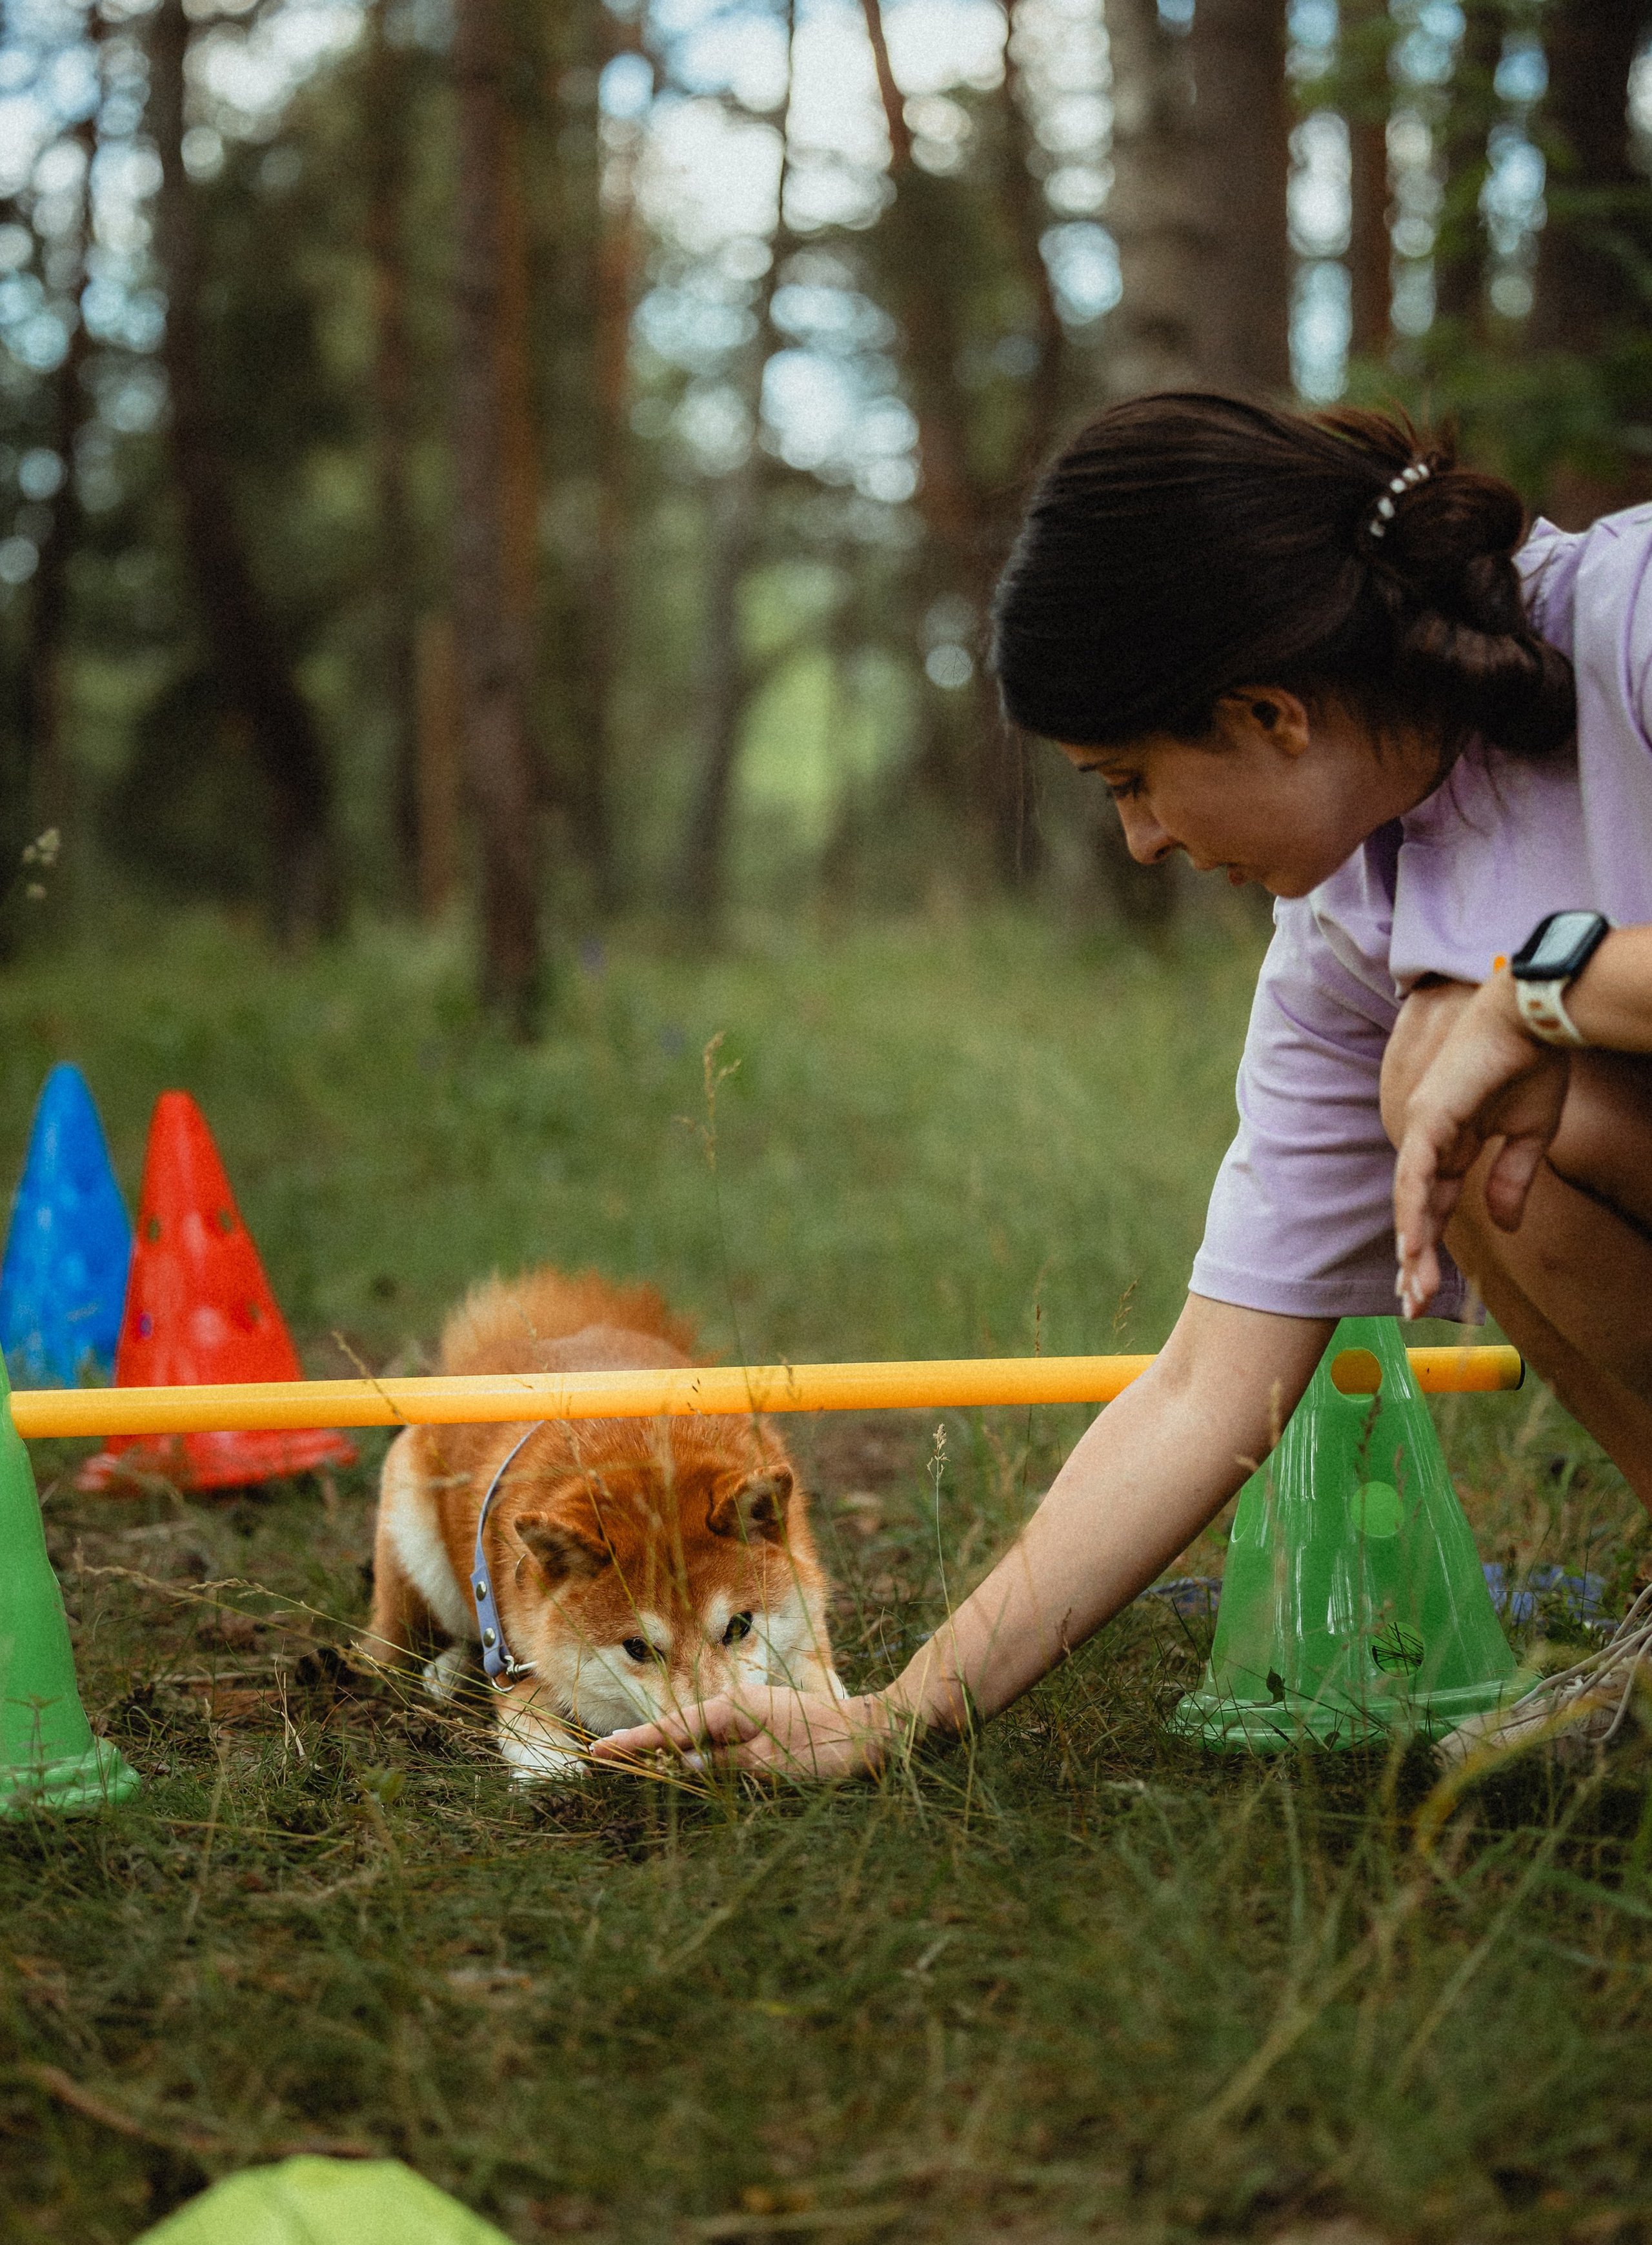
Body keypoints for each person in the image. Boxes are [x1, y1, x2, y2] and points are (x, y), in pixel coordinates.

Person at [592, 393, 1652, 1781]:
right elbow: (1208, 1385)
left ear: (1267, 713)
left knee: (1478, 1058)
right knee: (1445, 1077)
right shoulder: (1347, 923)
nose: (1142, 841)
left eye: (1131, 782)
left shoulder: (1630, 622)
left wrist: (1547, 991)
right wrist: (897, 1714)